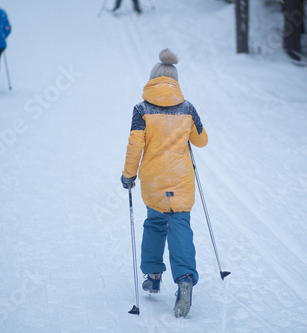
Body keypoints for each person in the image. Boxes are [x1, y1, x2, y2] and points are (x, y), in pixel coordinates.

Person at [121, 49, 208, 318]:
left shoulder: (141, 109)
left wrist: (128, 175)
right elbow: (201, 140)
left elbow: (135, 145)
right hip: (181, 180)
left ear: (152, 79)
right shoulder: (187, 107)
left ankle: (154, 275)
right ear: (175, 80)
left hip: (154, 180)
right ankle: (184, 279)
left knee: (155, 223)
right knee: (180, 226)